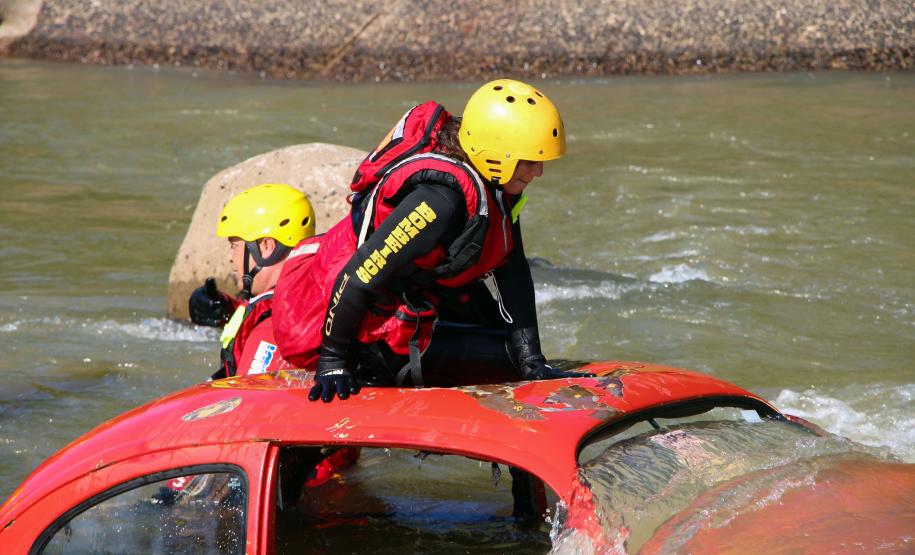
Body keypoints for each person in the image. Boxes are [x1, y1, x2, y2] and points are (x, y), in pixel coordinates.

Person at [272, 78, 591, 403]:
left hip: (411, 289)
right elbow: (357, 278)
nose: (538, 171)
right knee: (502, 359)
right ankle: (369, 368)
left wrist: (533, 362)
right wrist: (333, 364)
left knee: (513, 354)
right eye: (529, 160)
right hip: (340, 319)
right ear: (495, 151)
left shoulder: (497, 183)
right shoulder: (438, 203)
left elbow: (513, 270)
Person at [188, 183, 317, 379]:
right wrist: (226, 308)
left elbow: (249, 400)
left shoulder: (274, 328)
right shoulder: (305, 292)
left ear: (266, 246)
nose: (230, 257)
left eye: (234, 245)